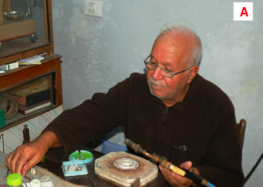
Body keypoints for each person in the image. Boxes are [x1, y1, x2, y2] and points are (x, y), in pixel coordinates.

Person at [6, 24, 244, 187]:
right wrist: (44, 140)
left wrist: (193, 177)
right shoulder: (135, 88)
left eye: (167, 69)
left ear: (191, 74)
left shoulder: (216, 107)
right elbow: (91, 114)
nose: (154, 76)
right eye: (152, 63)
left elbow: (231, 177)